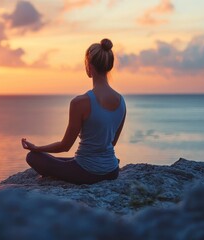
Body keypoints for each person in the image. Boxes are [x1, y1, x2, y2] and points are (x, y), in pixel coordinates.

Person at [21, 38, 126, 184]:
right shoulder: (121, 102)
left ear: (89, 66)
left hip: (86, 172)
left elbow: (65, 146)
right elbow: (111, 143)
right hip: (112, 170)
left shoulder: (80, 102)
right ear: (109, 66)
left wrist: (37, 148)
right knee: (63, 160)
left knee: (33, 157)